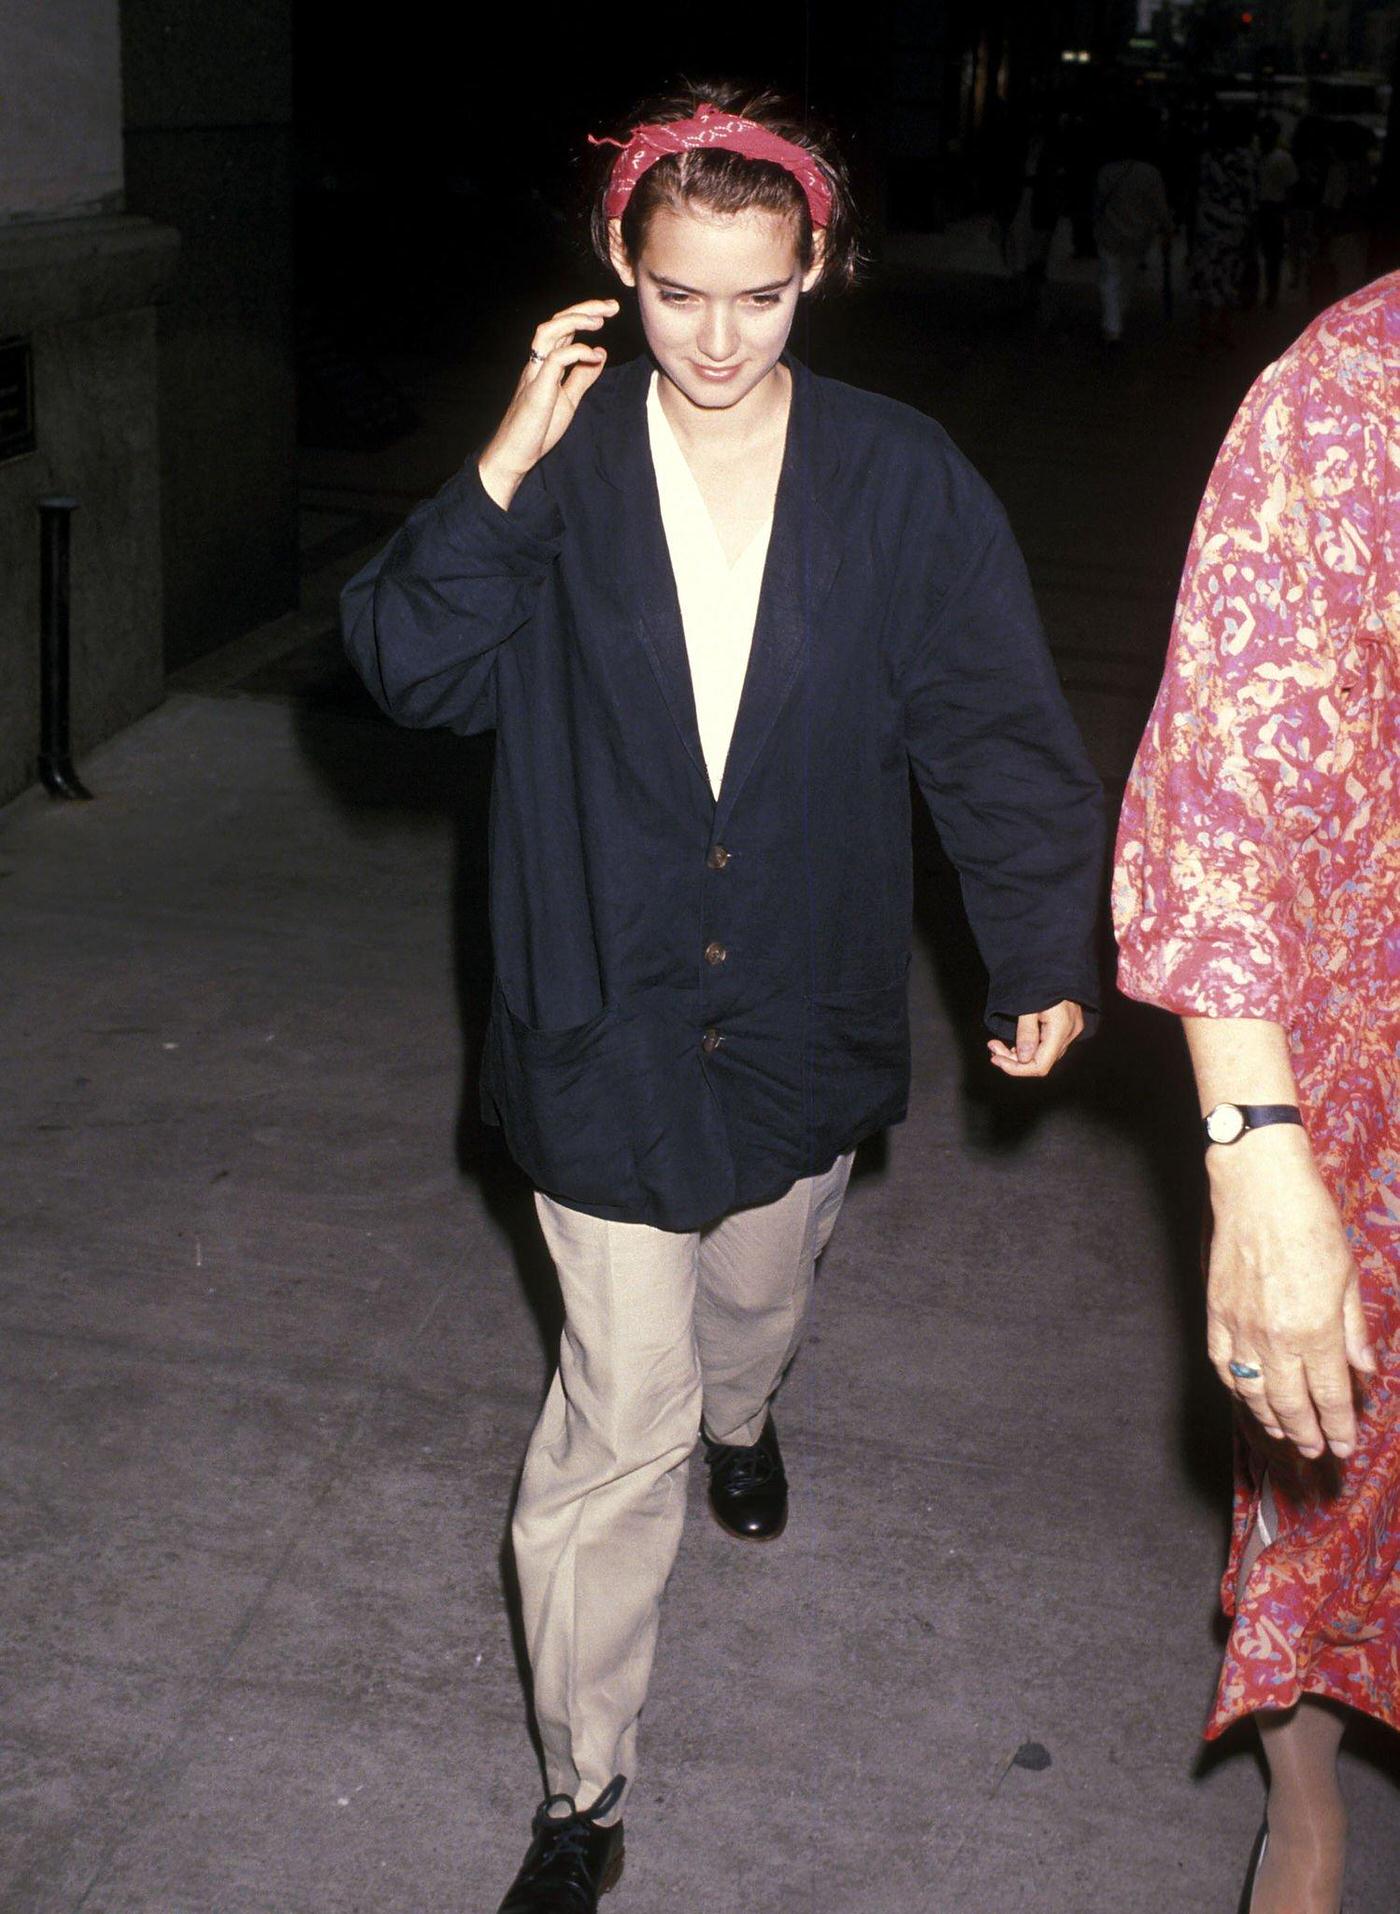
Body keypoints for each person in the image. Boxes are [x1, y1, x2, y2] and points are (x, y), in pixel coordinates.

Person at [343, 80, 1105, 1913]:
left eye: (758, 295)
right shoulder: (561, 472)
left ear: (816, 269)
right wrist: (498, 474)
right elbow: (404, 673)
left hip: (800, 1004)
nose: (714, 334)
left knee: (751, 1302)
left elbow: (992, 727)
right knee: (617, 1422)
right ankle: (582, 1788)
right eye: (680, 290)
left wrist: (1040, 942)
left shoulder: (901, 475)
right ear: (622, 263)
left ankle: (751, 1412)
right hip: (596, 1009)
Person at [1114, 274, 1399, 1914]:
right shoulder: (1357, 389)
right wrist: (1261, 1156)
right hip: (1372, 1077)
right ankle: (1309, 1800)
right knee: (1319, 1472)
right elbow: (1224, 788)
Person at [1092, 113, 1172, 344]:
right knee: (1126, 276)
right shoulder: (1149, 174)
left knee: (1110, 277)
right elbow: (1159, 206)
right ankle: (1115, 319)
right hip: (1138, 235)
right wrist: (1167, 227)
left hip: (1110, 232)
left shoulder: (1106, 172)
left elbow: (1098, 202)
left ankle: (1112, 324)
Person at [1190, 106, 1259, 349]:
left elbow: (1197, 192)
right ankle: (1224, 331)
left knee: (1207, 277)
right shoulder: (1246, 159)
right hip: (1235, 227)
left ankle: (1204, 332)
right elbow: (1250, 196)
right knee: (1230, 277)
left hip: (1208, 226)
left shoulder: (1207, 158)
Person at [1256, 117, 1299, 311]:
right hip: (1255, 209)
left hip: (1273, 209)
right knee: (1254, 255)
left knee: (1272, 256)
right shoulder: (1254, 155)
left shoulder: (1282, 158)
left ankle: (1271, 294)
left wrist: (1286, 214)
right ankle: (1250, 292)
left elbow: (1291, 188)